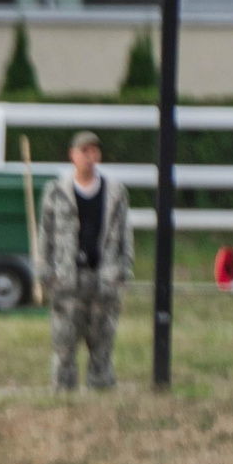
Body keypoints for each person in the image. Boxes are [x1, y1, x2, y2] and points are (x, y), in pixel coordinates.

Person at [38, 131, 133, 392]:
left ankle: (101, 390)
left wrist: (123, 270)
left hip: (103, 277)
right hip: (67, 278)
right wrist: (45, 272)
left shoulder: (115, 193)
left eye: (94, 152)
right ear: (73, 155)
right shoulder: (56, 192)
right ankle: (63, 392)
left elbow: (125, 233)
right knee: (64, 343)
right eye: (84, 152)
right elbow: (45, 235)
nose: (89, 158)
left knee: (102, 341)